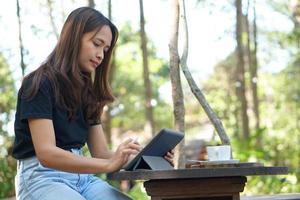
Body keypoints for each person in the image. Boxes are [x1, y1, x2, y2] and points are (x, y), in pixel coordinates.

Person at [12, 7, 174, 200]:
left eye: (105, 50)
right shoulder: (39, 83)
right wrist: (108, 165)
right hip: (41, 177)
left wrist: (146, 160)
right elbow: (46, 154)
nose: (101, 55)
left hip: (82, 179)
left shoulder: (88, 92)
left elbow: (102, 153)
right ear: (74, 37)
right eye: (97, 44)